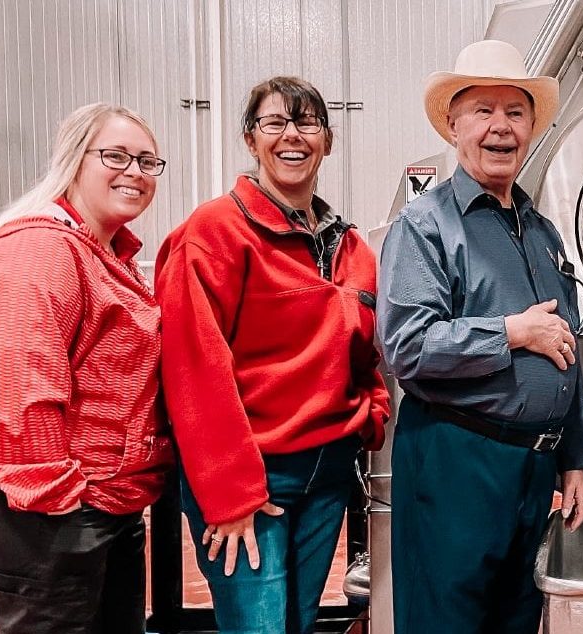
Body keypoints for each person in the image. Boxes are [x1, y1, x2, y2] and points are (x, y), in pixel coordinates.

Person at [155, 76, 390, 633]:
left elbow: (366, 349)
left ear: (327, 141)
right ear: (249, 138)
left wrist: (371, 411)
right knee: (257, 628)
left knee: (298, 623)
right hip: (251, 476)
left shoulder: (351, 247)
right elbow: (193, 368)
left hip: (327, 469)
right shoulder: (214, 232)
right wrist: (230, 493)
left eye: (307, 122)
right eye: (274, 122)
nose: (292, 135)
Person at [378, 39, 583, 633]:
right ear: (454, 125)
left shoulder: (542, 232)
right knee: (446, 620)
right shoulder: (423, 227)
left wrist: (574, 459)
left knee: (517, 621)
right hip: (456, 459)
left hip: (533, 469)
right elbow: (407, 347)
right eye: (483, 111)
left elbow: (568, 345)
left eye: (515, 113)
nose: (500, 127)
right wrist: (511, 333)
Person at [0, 103, 172, 633]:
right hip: (38, 508)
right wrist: (59, 505)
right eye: (116, 156)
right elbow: (23, 391)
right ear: (75, 160)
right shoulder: (40, 247)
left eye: (148, 162)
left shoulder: (107, 253)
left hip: (99, 500)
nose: (135, 172)